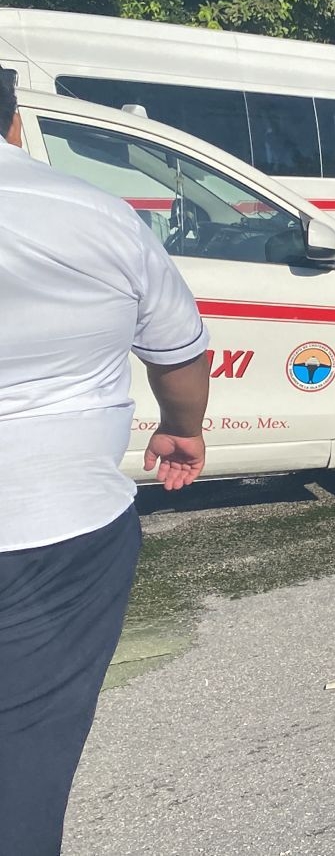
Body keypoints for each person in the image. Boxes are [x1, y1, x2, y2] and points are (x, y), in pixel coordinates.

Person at [0, 68, 212, 854]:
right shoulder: (100, 217)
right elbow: (181, 358)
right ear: (16, 123)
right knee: (23, 758)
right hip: (61, 533)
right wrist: (182, 428)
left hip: (59, 528)